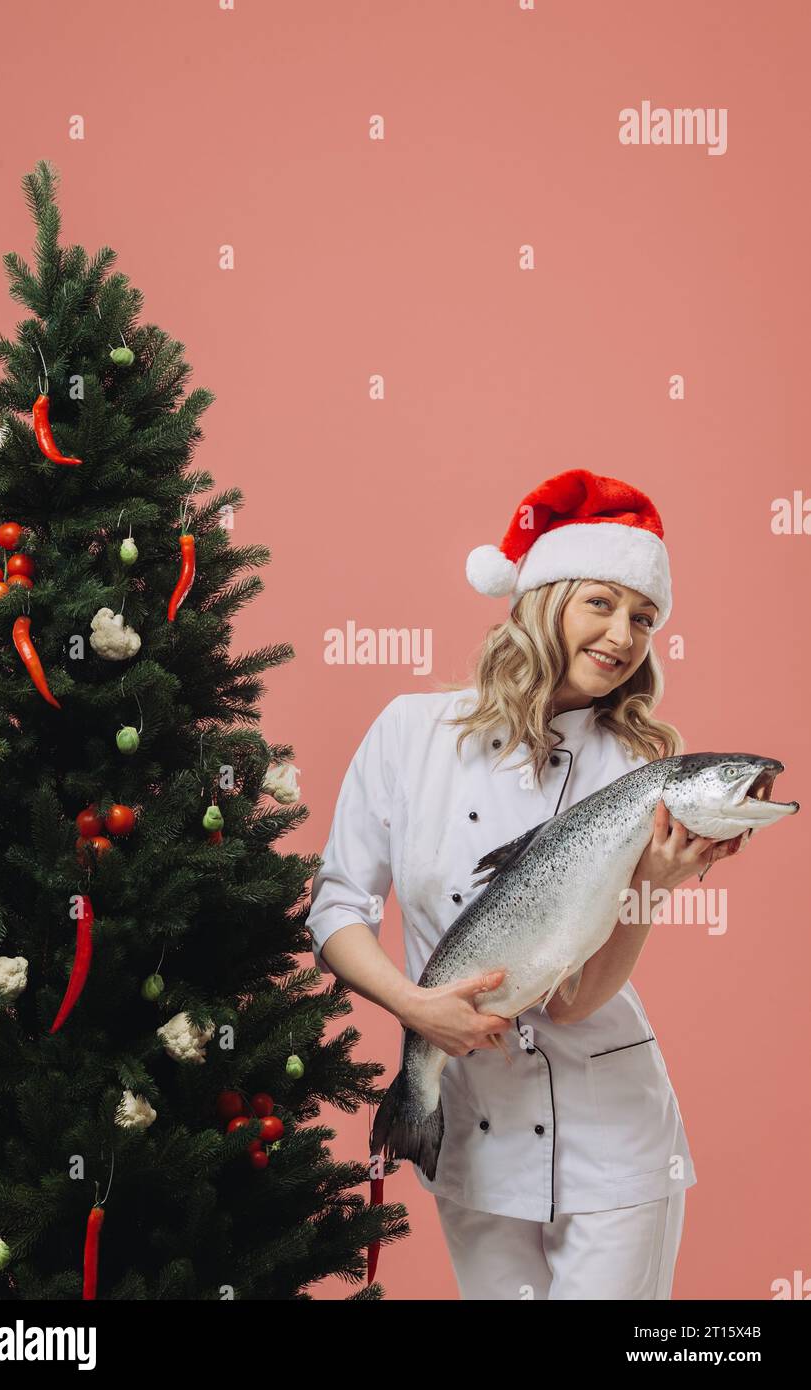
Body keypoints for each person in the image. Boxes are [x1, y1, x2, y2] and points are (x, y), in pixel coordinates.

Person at [305, 468, 749, 1300]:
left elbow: (575, 1000)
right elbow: (335, 907)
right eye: (601, 604)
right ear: (544, 598)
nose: (624, 635)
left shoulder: (640, 768)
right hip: (474, 1130)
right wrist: (412, 1005)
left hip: (615, 1135)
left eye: (644, 617)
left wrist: (650, 892)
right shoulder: (411, 733)